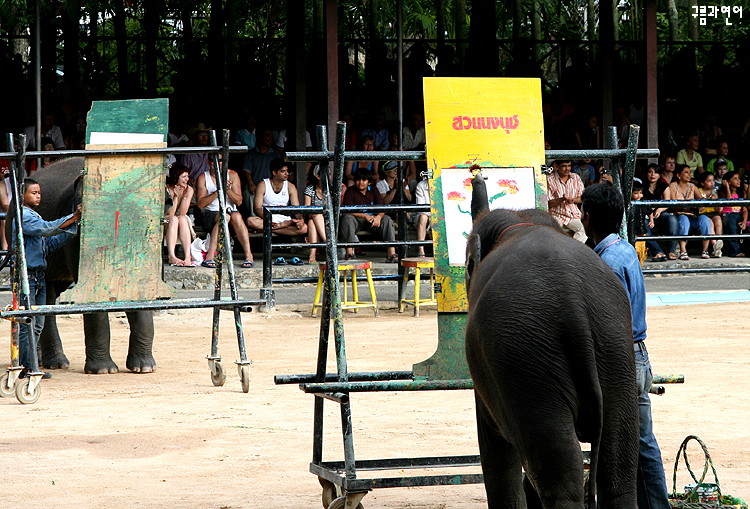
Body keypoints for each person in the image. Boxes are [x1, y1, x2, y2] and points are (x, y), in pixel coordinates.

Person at [580, 182, 672, 509]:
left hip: (619, 361)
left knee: (618, 443)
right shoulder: (626, 249)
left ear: (586, 217)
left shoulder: (605, 264)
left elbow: (609, 323)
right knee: (643, 442)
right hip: (638, 356)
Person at [16, 178, 82, 378]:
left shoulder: (33, 215)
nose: (38, 196)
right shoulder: (24, 217)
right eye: (33, 193)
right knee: (28, 323)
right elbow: (46, 228)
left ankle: (32, 364)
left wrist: (73, 229)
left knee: (37, 324)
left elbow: (48, 244)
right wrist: (73, 216)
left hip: (39, 275)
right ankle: (26, 367)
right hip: (27, 276)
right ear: (22, 195)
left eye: (39, 193)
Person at [195, 157, 255, 268]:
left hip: (231, 213)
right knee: (225, 217)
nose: (217, 163)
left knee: (236, 216)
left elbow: (239, 201)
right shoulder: (203, 177)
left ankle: (248, 256)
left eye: (220, 160)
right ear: (208, 162)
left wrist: (227, 190)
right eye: (213, 160)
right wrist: (218, 191)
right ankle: (210, 256)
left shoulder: (232, 175)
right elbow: (201, 204)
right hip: (211, 214)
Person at [340, 168, 397, 262]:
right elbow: (347, 210)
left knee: (387, 219)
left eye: (364, 180)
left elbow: (382, 207)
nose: (360, 182)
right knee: (347, 218)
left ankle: (392, 253)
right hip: (357, 219)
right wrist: (365, 216)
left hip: (373, 220)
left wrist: (379, 217)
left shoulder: (374, 190)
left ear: (369, 182)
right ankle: (350, 253)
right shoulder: (350, 191)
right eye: (358, 180)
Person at [246, 158, 307, 238]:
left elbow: (296, 209)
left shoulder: (290, 186)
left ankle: (267, 229)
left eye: (287, 171)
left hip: (285, 220)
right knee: (250, 221)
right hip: (267, 218)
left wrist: (300, 219)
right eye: (283, 171)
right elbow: (257, 208)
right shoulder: (263, 184)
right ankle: (274, 228)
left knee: (304, 228)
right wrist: (269, 220)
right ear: (274, 172)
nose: (287, 173)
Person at [669, 164, 711, 260]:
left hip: (693, 216)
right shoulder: (673, 186)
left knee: (704, 219)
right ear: (678, 175)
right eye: (686, 172)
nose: (689, 175)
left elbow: (701, 199)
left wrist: (703, 203)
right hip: (679, 216)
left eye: (690, 172)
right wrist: (689, 206)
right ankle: (683, 251)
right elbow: (673, 203)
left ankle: (705, 250)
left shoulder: (692, 186)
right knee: (684, 219)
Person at [546, 158, 587, 243]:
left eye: (569, 166)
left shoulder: (576, 177)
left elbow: (582, 198)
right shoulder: (549, 179)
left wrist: (573, 200)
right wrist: (563, 199)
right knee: (555, 232)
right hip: (556, 215)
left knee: (584, 229)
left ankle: (574, 251)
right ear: (556, 167)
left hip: (573, 215)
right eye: (564, 166)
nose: (567, 169)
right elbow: (548, 203)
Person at [642, 163, 677, 261]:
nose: (653, 175)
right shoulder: (642, 186)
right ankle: (658, 251)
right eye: (650, 172)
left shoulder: (664, 186)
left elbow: (667, 202)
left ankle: (671, 251)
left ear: (659, 175)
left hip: (659, 214)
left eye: (656, 172)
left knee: (672, 219)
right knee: (644, 224)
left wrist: (659, 209)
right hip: (645, 215)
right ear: (646, 174)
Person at [164, 163, 195, 266]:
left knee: (182, 219)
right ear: (176, 177)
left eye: (187, 176)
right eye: (183, 176)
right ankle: (171, 256)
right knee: (174, 219)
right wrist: (176, 197)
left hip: (177, 219)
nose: (187, 179)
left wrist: (185, 196)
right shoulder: (168, 188)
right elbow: (170, 213)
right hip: (165, 219)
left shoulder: (189, 189)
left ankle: (187, 257)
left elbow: (182, 212)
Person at [695, 171, 723, 258]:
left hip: (713, 212)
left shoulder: (714, 191)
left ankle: (719, 241)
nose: (712, 183)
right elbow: (700, 208)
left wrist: (715, 202)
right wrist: (708, 200)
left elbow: (718, 210)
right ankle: (715, 246)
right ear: (702, 183)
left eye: (713, 181)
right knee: (710, 223)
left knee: (718, 220)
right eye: (709, 181)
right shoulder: (699, 191)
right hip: (703, 214)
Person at [719, 171, 747, 258]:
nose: (739, 181)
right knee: (732, 225)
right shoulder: (721, 192)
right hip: (727, 214)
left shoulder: (742, 193)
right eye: (735, 179)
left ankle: (744, 250)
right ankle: (735, 251)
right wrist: (727, 187)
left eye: (739, 178)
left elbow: (745, 210)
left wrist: (744, 221)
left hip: (738, 215)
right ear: (728, 181)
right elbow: (729, 202)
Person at [304, 167, 326, 264]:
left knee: (313, 221)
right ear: (318, 176)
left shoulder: (332, 189)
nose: (328, 177)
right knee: (314, 217)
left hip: (329, 218)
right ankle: (328, 242)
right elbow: (307, 209)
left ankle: (312, 255)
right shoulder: (310, 189)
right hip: (313, 216)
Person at [413, 177, 431, 257]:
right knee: (423, 217)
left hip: (439, 215)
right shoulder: (421, 185)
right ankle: (421, 250)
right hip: (424, 215)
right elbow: (421, 208)